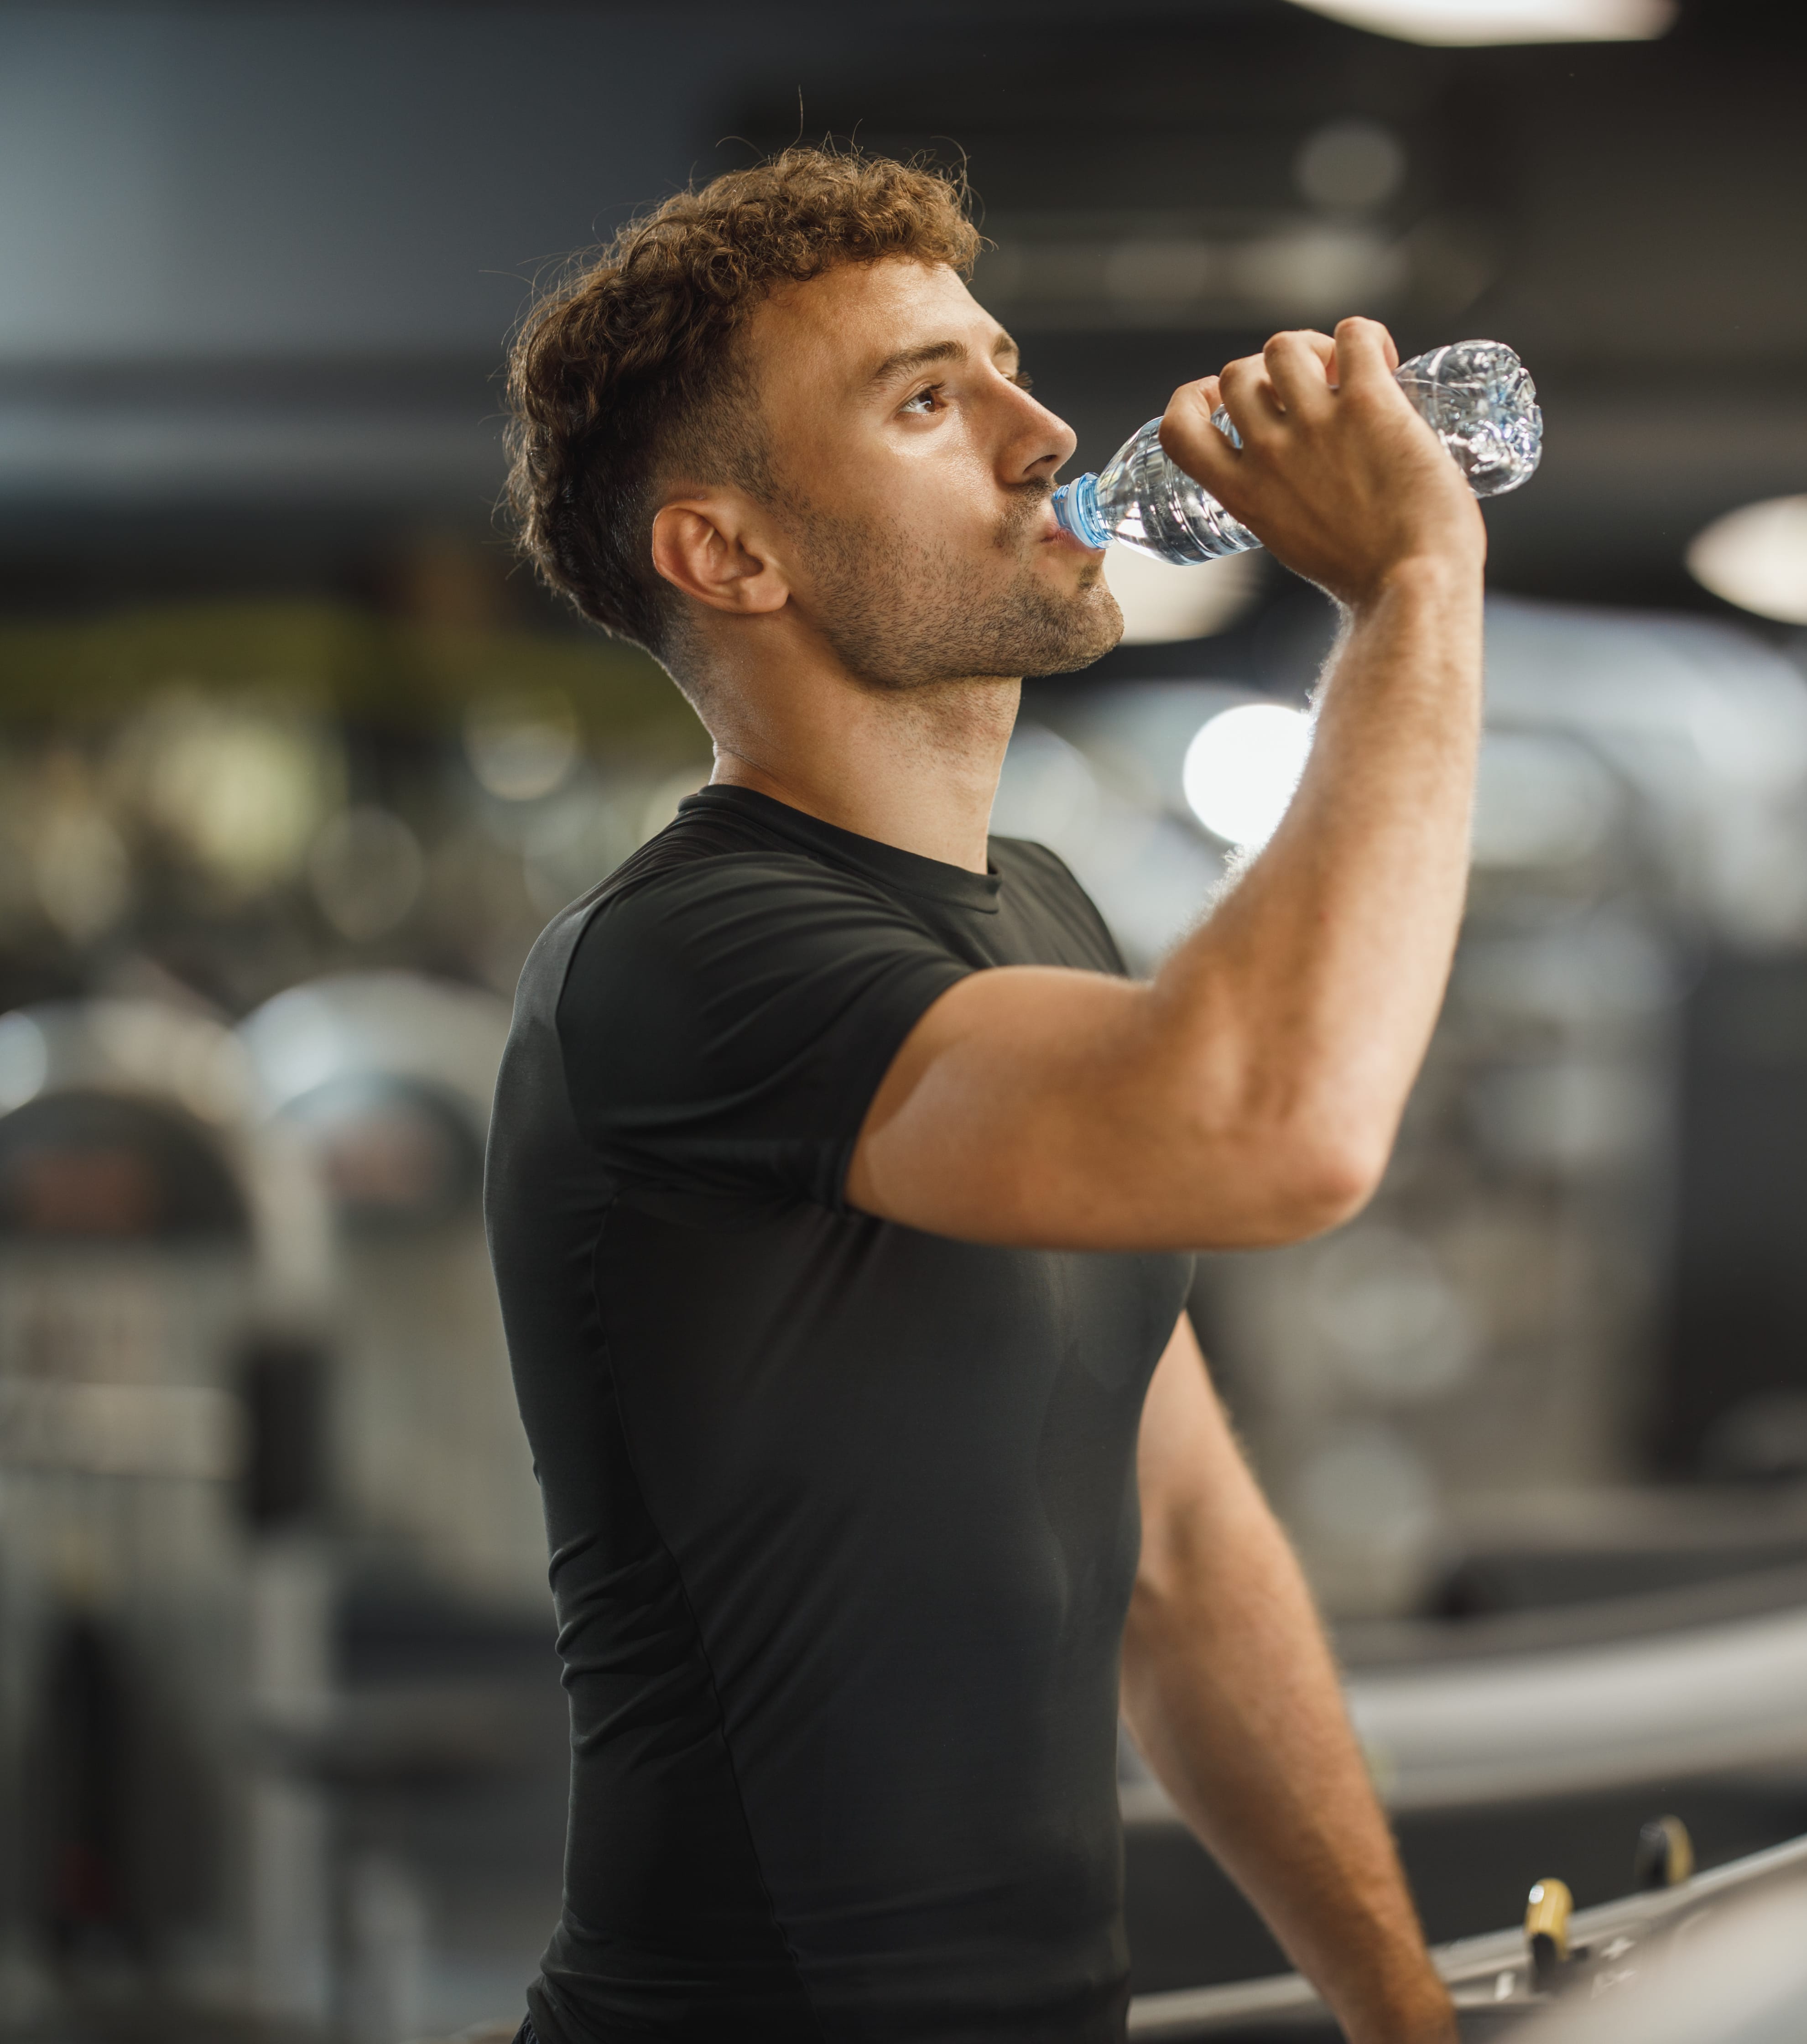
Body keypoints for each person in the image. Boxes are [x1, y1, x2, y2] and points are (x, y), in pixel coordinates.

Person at [488, 146, 1477, 2044]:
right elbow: (1282, 1129)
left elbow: (1182, 1549)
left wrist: (1403, 2016)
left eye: (1005, 368)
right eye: (928, 400)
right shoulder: (686, 961)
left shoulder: (1039, 917)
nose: (1042, 439)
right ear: (731, 552)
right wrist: (1415, 584)